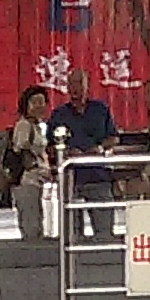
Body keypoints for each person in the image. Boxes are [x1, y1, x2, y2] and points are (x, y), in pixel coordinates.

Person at [46, 67, 119, 242]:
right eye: (71, 84)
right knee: (72, 234)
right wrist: (64, 152)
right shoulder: (59, 114)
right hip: (71, 179)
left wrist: (99, 148)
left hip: (98, 175)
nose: (75, 88)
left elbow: (114, 138)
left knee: (104, 232)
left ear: (87, 85)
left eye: (79, 83)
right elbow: (48, 146)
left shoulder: (100, 109)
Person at [8, 84, 51, 240]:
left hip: (37, 181)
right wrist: (36, 168)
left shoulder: (37, 126)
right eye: (35, 102)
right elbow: (20, 151)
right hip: (28, 180)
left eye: (42, 102)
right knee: (31, 224)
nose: (39, 106)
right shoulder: (24, 125)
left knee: (37, 221)